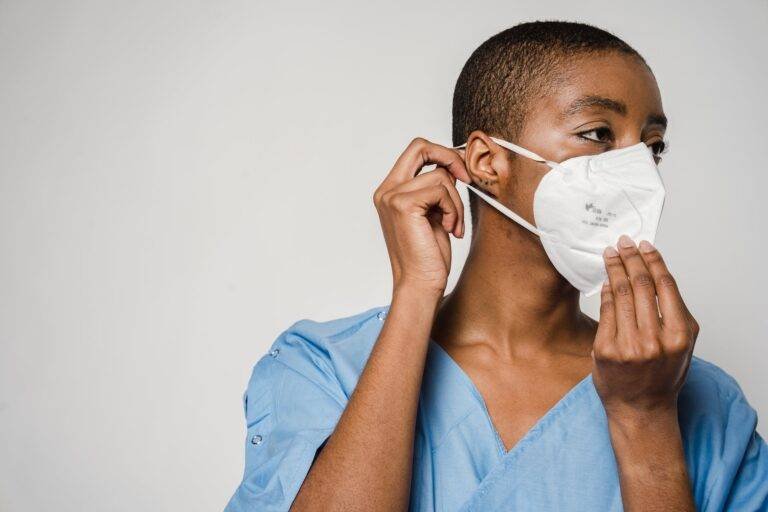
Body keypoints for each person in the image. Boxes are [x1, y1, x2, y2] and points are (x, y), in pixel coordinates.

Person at [225, 21, 768, 511]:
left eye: (652, 147)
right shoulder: (322, 368)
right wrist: (415, 291)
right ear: (488, 161)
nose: (638, 172)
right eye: (599, 134)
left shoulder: (700, 401)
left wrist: (646, 420)